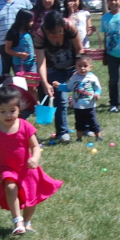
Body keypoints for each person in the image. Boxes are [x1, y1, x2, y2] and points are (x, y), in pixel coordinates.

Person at [0, 83, 61, 236]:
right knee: (10, 188)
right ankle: (17, 220)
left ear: (19, 109)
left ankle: (27, 223)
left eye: (12, 111)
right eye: (3, 111)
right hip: (7, 169)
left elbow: (35, 147)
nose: (8, 115)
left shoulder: (25, 126)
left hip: (27, 169)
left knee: (31, 197)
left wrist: (35, 159)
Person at [35, 10, 82, 141]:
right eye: (52, 33)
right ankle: (62, 132)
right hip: (54, 69)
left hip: (74, 66)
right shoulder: (40, 34)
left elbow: (79, 49)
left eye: (59, 32)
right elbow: (41, 61)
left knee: (83, 95)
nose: (56, 36)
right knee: (60, 99)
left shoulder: (69, 26)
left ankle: (87, 127)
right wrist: (45, 83)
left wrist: (79, 72)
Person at [63, 53, 101, 138]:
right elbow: (68, 88)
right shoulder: (74, 78)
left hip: (90, 106)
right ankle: (79, 138)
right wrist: (58, 86)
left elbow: (98, 88)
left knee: (93, 122)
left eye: (85, 66)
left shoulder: (93, 78)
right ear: (75, 67)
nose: (82, 68)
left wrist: (97, 94)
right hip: (78, 106)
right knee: (79, 123)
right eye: (79, 66)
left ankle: (99, 137)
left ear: (90, 67)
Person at [4, 9, 36, 74]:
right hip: (20, 64)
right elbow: (7, 49)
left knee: (32, 82)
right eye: (30, 21)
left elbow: (32, 46)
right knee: (22, 83)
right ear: (24, 21)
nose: (32, 23)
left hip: (32, 64)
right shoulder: (13, 32)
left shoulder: (30, 32)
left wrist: (36, 54)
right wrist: (19, 54)